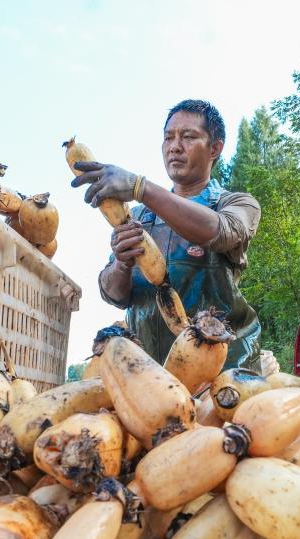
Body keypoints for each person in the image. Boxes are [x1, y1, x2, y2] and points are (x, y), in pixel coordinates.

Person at [70, 99, 263, 372]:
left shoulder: (237, 204)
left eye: (188, 137)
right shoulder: (137, 217)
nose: (175, 146)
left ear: (215, 148)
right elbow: (114, 295)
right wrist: (121, 264)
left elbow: (221, 231)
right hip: (151, 375)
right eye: (168, 137)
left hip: (224, 373)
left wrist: (141, 187)